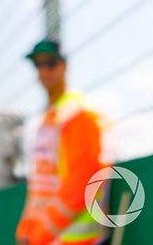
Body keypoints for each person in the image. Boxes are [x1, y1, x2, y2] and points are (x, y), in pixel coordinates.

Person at [15, 39, 107, 245]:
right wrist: (26, 230)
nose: (43, 71)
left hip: (75, 239)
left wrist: (39, 235)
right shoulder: (48, 120)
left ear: (63, 65)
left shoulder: (76, 115)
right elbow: (41, 187)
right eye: (38, 65)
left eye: (50, 63)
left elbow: (83, 181)